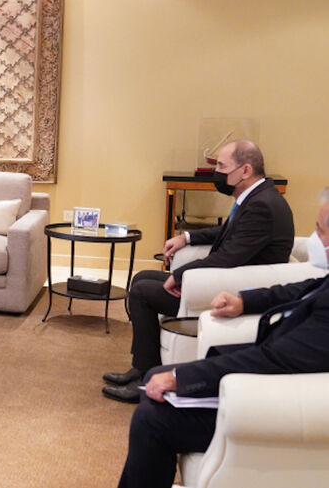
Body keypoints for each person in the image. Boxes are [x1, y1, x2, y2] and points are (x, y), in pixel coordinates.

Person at [116, 189, 329, 488]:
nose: (314, 239)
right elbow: (301, 290)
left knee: (151, 418)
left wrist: (183, 376)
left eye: (320, 231)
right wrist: (245, 301)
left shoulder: (264, 204)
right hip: (278, 372)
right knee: (154, 377)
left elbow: (275, 359)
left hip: (275, 397)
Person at [103, 140, 294, 403]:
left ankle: (146, 376)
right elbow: (227, 232)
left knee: (142, 292)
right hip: (224, 278)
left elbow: (228, 257)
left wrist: (180, 274)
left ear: (246, 170)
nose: (218, 173)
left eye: (223, 166)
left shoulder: (262, 206)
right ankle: (141, 366)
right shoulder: (258, 197)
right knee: (141, 277)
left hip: (230, 291)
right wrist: (187, 237)